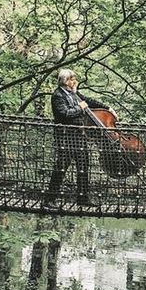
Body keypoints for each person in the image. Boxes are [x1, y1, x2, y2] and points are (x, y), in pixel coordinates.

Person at [45, 69, 116, 207]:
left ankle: (82, 199)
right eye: (72, 79)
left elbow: (89, 101)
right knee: (61, 168)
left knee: (83, 167)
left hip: (79, 137)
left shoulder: (74, 93)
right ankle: (50, 200)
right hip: (65, 138)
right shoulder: (57, 96)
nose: (75, 81)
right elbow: (64, 113)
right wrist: (80, 108)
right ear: (66, 81)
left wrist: (108, 108)